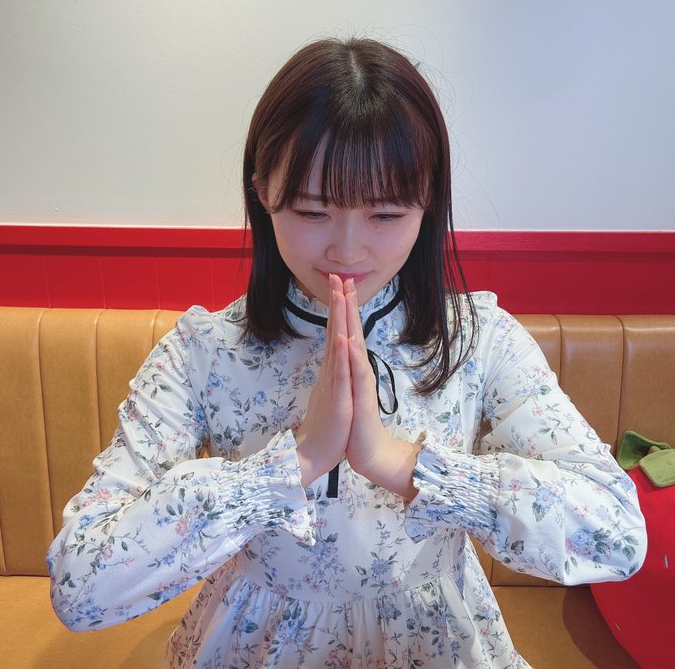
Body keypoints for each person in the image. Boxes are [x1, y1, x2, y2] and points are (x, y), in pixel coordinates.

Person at [47, 38, 646, 668]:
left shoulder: (479, 338)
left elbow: (617, 536)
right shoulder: (202, 354)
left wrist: (401, 464)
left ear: (428, 203)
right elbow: (80, 589)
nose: (347, 250)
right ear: (262, 191)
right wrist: (293, 463)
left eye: (385, 214)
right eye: (312, 211)